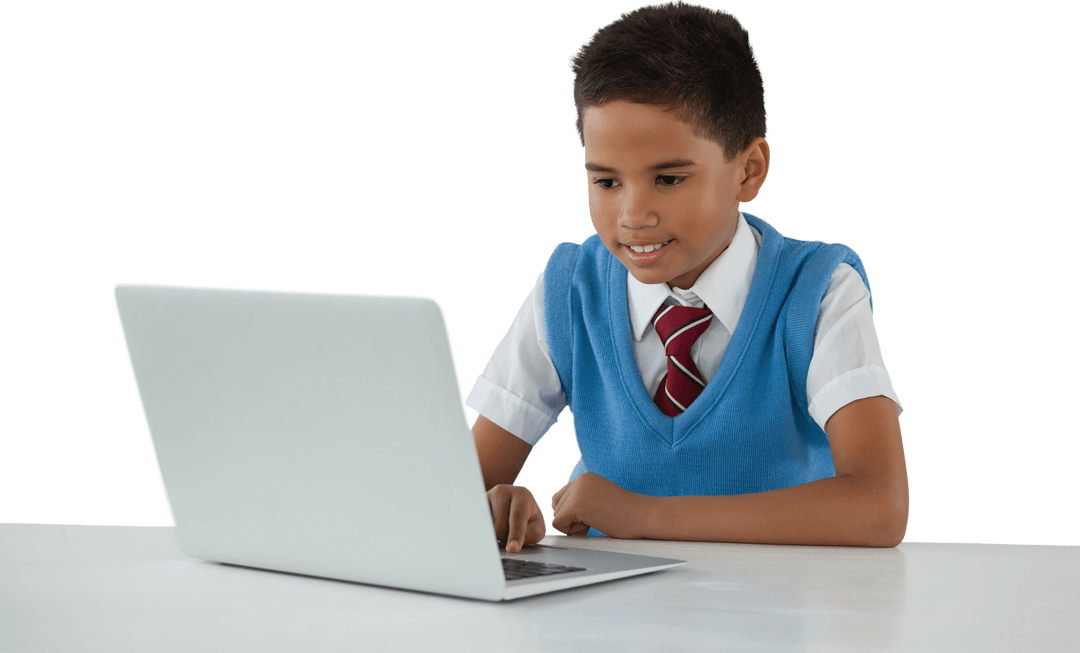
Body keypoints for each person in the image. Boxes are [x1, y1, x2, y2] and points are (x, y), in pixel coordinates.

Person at [466, 0, 908, 550]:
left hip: (775, 622)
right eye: (606, 182)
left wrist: (643, 515)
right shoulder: (568, 291)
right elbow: (455, 492)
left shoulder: (817, 290)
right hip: (609, 624)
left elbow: (877, 508)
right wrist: (493, 506)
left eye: (669, 179)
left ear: (749, 171)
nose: (632, 215)